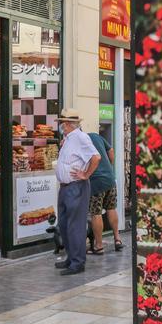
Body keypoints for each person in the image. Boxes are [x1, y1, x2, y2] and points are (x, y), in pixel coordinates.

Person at [54, 109, 100, 275]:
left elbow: (96, 157)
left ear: (67, 124)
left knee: (75, 226)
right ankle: (71, 257)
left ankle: (78, 262)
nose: (61, 126)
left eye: (62, 123)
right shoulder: (68, 138)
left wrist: (85, 174)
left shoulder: (81, 137)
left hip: (76, 186)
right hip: (66, 187)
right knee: (65, 225)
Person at [87, 130, 123, 253]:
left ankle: (99, 246)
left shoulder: (80, 141)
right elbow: (111, 151)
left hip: (96, 181)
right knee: (111, 208)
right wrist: (109, 166)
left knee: (96, 213)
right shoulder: (96, 136)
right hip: (110, 179)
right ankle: (117, 239)